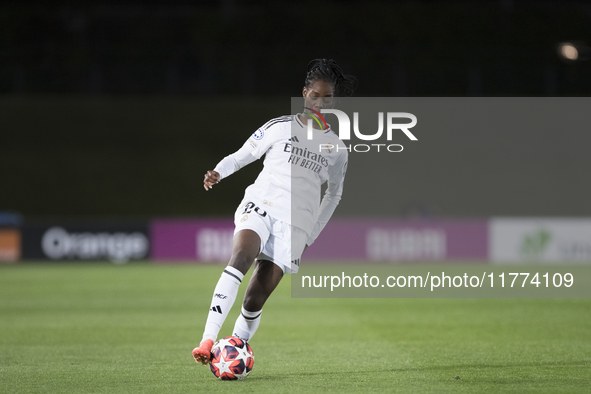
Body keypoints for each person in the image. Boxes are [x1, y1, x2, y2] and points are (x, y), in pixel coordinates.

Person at [192, 59, 357, 365]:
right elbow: (242, 156)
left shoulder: (336, 148)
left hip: (295, 225)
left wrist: (310, 235)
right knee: (241, 257)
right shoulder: (279, 126)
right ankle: (207, 340)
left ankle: (234, 351)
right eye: (314, 95)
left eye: (327, 98)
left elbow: (334, 194)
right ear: (304, 93)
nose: (319, 102)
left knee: (255, 298)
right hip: (261, 204)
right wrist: (217, 172)